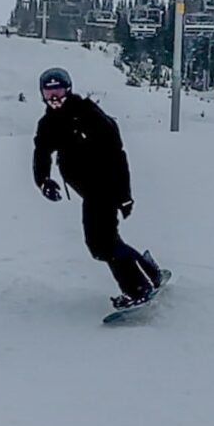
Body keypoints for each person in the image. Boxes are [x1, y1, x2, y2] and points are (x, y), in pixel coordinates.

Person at [33, 67, 163, 307]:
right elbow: (41, 152)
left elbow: (117, 155)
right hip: (87, 189)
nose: (55, 98)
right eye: (49, 92)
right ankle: (149, 272)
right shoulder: (48, 123)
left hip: (106, 184)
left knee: (101, 244)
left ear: (68, 90)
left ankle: (137, 288)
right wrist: (43, 181)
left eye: (59, 91)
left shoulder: (87, 114)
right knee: (105, 242)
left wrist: (125, 196)